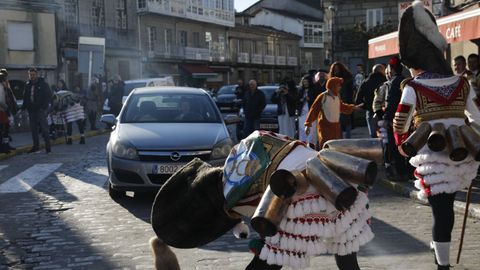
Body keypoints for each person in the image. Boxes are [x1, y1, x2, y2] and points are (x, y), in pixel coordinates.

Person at [151, 130, 378, 270]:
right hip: (337, 179)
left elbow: (257, 217)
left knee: (270, 259)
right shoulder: (245, 148)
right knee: (346, 257)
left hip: (300, 196)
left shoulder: (233, 195)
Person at [394, 2, 480, 269]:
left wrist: (402, 146)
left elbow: (400, 123)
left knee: (443, 212)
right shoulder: (462, 84)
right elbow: (477, 117)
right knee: (444, 212)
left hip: (432, 157)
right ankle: (441, 258)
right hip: (459, 155)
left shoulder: (414, 87)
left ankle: (440, 257)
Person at [374, 56, 409, 181]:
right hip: (406, 119)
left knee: (395, 147)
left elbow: (391, 101)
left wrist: (387, 118)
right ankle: (407, 172)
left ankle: (400, 172)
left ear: (392, 70)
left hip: (395, 120)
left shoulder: (394, 83)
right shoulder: (405, 80)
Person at [304, 77, 361, 149]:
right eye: (338, 85)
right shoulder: (322, 96)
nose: (340, 87)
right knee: (326, 146)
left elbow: (341, 107)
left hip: (336, 126)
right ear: (333, 86)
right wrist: (308, 124)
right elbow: (313, 110)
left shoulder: (337, 96)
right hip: (325, 126)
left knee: (336, 147)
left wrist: (353, 107)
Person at [21, 68, 52, 153]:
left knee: (44, 128)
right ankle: (36, 146)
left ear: (36, 75)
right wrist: (23, 108)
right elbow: (25, 98)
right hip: (31, 110)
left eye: (33, 74)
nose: (32, 76)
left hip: (40, 110)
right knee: (33, 129)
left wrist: (44, 107)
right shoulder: (27, 85)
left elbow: (48, 95)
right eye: (30, 75)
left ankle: (48, 147)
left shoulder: (43, 84)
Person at [355, 64, 386, 138]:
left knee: (373, 137)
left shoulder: (365, 82)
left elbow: (358, 100)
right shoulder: (386, 82)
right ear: (382, 71)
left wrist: (366, 106)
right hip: (383, 112)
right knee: (384, 136)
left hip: (370, 112)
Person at [329, 62, 356, 138]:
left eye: (338, 69)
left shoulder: (347, 79)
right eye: (335, 70)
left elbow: (350, 92)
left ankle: (346, 140)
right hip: (335, 103)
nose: (336, 71)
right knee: (338, 122)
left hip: (346, 101)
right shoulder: (332, 80)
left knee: (346, 122)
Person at [296, 74, 323, 145]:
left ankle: (311, 145)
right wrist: (301, 100)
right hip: (302, 113)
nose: (305, 83)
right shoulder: (300, 90)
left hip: (311, 113)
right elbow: (296, 101)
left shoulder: (314, 89)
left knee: (311, 130)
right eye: (304, 82)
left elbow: (317, 101)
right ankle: (302, 144)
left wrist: (310, 99)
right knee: (302, 130)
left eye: (307, 82)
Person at [0, 69, 17, 153]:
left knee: (6, 129)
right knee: (3, 129)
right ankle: (3, 147)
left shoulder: (6, 86)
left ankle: (6, 145)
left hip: (6, 110)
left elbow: (10, 96)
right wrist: (6, 108)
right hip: (2, 110)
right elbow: (1, 100)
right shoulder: (1, 86)